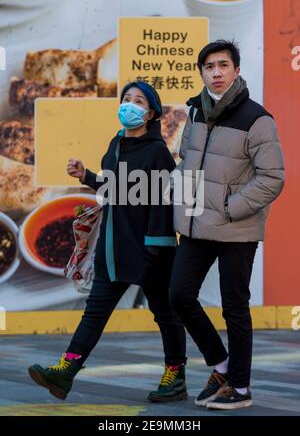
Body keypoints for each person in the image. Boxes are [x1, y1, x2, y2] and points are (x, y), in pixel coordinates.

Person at [28, 81, 187, 403]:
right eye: (126, 98)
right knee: (95, 312)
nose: (129, 104)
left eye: (138, 100)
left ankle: (176, 376)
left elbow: (167, 201)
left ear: (151, 113)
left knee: (165, 314)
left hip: (151, 248)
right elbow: (114, 188)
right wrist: (85, 175)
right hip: (114, 246)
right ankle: (65, 371)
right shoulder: (115, 144)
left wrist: (158, 245)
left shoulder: (157, 151)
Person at [169, 40, 285, 410]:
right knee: (180, 295)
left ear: (236, 70)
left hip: (236, 227)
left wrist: (230, 207)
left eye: (223, 65)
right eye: (208, 67)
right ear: (201, 73)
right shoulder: (196, 113)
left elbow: (272, 177)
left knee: (235, 306)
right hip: (195, 224)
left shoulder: (257, 118)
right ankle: (221, 365)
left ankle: (241, 388)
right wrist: (180, 198)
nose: (216, 72)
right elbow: (186, 159)